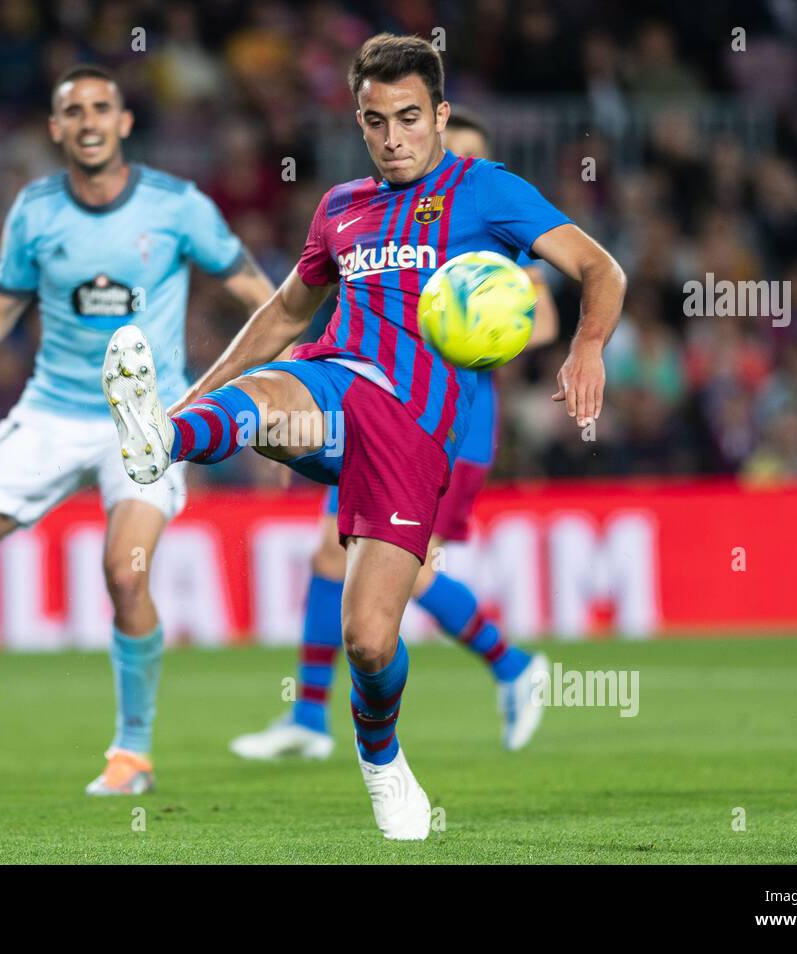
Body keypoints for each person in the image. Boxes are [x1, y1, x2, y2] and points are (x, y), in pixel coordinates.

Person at [103, 35, 626, 838]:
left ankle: (382, 763)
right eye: (375, 121)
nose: (392, 137)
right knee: (273, 400)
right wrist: (191, 394)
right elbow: (284, 313)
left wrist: (586, 347)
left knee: (371, 643)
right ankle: (163, 436)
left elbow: (601, 269)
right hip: (336, 377)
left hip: (413, 437)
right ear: (359, 120)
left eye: (410, 118)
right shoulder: (341, 208)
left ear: (441, 116)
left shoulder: (487, 192)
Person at [0, 65, 275, 795]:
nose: (91, 120)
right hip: (49, 410)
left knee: (123, 574)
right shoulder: (35, 211)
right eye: (75, 111)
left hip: (144, 415)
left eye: (104, 107)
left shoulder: (178, 207)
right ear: (57, 129)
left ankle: (132, 753)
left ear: (125, 123)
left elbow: (258, 292)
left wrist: (270, 380)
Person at [228, 109, 560, 762]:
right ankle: (308, 717)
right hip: (379, 407)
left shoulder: (493, 226)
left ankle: (512, 664)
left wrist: (481, 329)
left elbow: (542, 320)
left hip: (454, 420)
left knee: (402, 568)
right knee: (332, 555)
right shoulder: (397, 217)